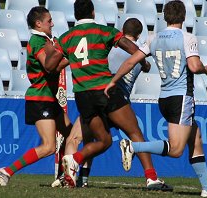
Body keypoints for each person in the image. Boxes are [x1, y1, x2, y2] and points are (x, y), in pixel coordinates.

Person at [44, 0, 172, 191]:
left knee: (102, 141)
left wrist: (66, 57)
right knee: (134, 132)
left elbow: (49, 66)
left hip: (82, 95)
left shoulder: (66, 37)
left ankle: (75, 161)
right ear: (93, 13)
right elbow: (130, 48)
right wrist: (144, 64)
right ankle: (151, 178)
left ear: (75, 15)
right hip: (105, 91)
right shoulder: (105, 31)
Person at [104, 1, 207, 197]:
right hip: (181, 97)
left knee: (195, 137)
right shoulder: (187, 37)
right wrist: (206, 69)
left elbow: (131, 60)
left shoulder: (153, 38)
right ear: (183, 17)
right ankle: (133, 147)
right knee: (176, 150)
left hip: (164, 98)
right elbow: (193, 66)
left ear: (165, 17)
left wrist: (113, 81)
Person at [0, 6, 74, 186]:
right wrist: (70, 58)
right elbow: (48, 66)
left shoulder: (48, 39)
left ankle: (65, 176)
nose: (52, 24)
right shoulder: (37, 40)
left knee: (72, 134)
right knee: (49, 146)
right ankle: (6, 171)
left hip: (50, 98)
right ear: (38, 24)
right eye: (49, 21)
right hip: (40, 99)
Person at [70, 17, 151, 188]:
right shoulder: (138, 54)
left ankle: (82, 178)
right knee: (135, 133)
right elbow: (146, 66)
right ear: (139, 34)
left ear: (122, 31)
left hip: (97, 94)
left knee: (89, 138)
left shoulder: (112, 49)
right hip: (118, 99)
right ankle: (150, 177)